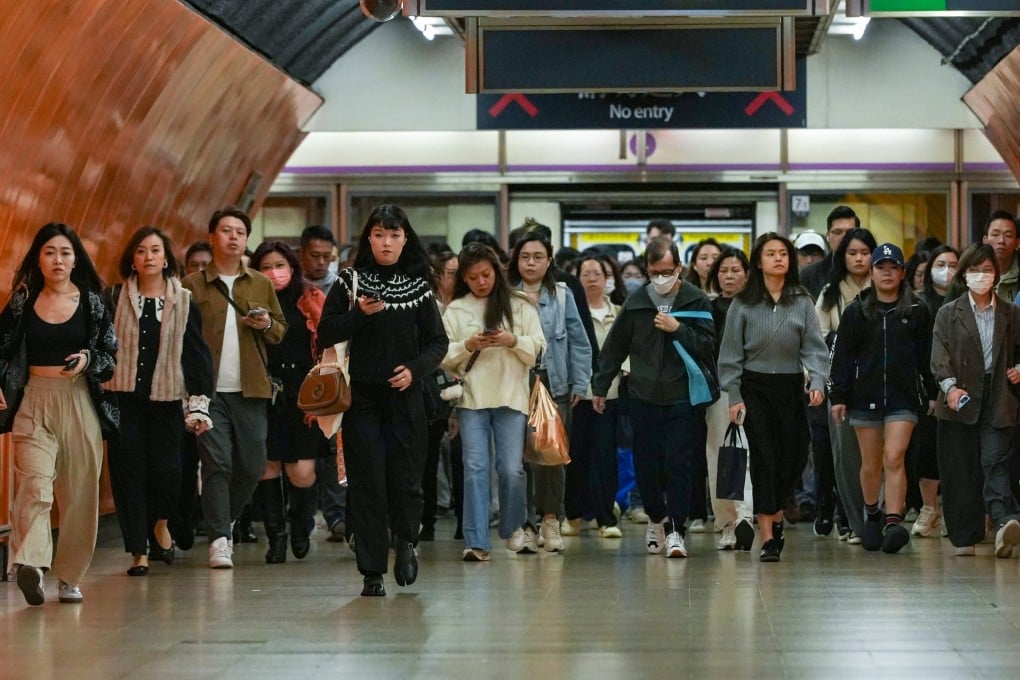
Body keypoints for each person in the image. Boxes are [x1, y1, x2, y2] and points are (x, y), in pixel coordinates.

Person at [317, 204, 448, 596]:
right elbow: (325, 332)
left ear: (405, 238)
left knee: (407, 480)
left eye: (394, 235)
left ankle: (406, 541)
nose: (386, 242)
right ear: (368, 239)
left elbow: (438, 342)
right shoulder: (349, 282)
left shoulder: (420, 285)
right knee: (367, 482)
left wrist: (415, 369)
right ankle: (371, 570)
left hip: (407, 399)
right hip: (362, 400)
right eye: (378, 234)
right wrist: (358, 314)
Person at [1, 223, 119, 605]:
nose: (58, 259)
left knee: (81, 492)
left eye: (65, 252)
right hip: (34, 400)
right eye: (50, 251)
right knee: (34, 483)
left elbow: (110, 357)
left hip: (79, 400)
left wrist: (88, 359)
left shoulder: (92, 303)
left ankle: (69, 576)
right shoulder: (22, 301)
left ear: (75, 259)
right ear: (39, 257)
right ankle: (32, 563)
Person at [592, 236, 719, 559]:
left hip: (683, 396)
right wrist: (600, 386)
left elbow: (708, 346)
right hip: (643, 395)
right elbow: (614, 347)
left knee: (680, 463)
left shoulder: (695, 301)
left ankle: (677, 528)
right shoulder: (636, 302)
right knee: (646, 464)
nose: (661, 278)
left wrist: (677, 327)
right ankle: (657, 518)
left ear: (679, 268)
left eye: (667, 271)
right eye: (654, 272)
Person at [182, 206, 287, 570]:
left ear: (246, 239)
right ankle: (219, 540)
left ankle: (223, 518)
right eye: (226, 230)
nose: (233, 237)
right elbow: (181, 338)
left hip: (251, 388)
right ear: (213, 236)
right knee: (217, 463)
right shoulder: (191, 286)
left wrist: (264, 324)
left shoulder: (260, 283)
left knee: (253, 463)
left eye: (239, 232)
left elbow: (279, 332)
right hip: (207, 392)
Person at [106, 226, 214, 576]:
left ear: (166, 258)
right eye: (141, 251)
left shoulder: (183, 301)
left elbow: (196, 356)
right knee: (128, 475)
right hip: (123, 400)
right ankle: (138, 551)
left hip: (167, 399)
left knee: (168, 472)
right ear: (132, 260)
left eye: (155, 250)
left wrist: (198, 403)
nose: (148, 257)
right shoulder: (114, 298)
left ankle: (162, 522)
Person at [717, 233, 828, 562]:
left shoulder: (802, 300)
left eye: (783, 253)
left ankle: (777, 512)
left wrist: (818, 380)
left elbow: (814, 347)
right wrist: (734, 394)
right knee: (764, 458)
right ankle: (767, 536)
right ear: (759, 261)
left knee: (793, 456)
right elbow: (730, 355)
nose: (778, 258)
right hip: (754, 389)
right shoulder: (743, 303)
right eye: (770, 254)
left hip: (791, 386)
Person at [442, 242, 545, 562]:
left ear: (497, 271)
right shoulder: (456, 309)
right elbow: (444, 356)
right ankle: (476, 541)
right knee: (474, 468)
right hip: (472, 398)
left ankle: (515, 528)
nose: (480, 282)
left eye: (485, 274)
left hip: (512, 397)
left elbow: (539, 349)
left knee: (512, 469)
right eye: (472, 277)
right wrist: (469, 345)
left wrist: (511, 340)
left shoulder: (520, 305)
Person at [829, 243, 934, 554]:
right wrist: (838, 395)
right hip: (864, 398)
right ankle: (872, 514)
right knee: (871, 463)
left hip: (904, 398)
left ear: (902, 273)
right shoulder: (856, 311)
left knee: (894, 457)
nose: (887, 273)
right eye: (881, 268)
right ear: (871, 273)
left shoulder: (917, 310)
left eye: (893, 268)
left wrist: (932, 392)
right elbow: (843, 358)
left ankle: (893, 521)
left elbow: (927, 356)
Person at [932, 243, 1020, 558]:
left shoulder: (1011, 312)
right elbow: (939, 356)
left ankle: (1004, 522)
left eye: (987, 270)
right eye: (974, 270)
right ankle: (965, 534)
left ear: (997, 274)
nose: (981, 276)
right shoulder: (948, 312)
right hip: (960, 395)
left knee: (994, 459)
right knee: (961, 467)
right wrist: (950, 388)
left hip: (999, 394)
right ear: (964, 274)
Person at [508, 229, 592, 551]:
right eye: (525, 257)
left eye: (538, 257)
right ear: (516, 259)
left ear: (549, 260)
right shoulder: (506, 295)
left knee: (551, 456)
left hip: (552, 383)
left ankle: (550, 520)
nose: (530, 263)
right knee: (518, 459)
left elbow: (579, 343)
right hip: (513, 384)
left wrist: (580, 382)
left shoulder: (562, 294)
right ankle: (524, 523)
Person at [249, 241, 326, 563]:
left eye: (279, 265)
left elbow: (327, 342)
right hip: (262, 391)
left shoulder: (310, 299)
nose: (273, 272)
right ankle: (276, 538)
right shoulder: (248, 300)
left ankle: (301, 525)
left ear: (292, 267)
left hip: (304, 393)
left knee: (302, 472)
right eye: (265, 266)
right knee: (268, 467)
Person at [816, 228, 877, 542]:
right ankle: (854, 521)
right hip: (840, 385)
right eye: (852, 253)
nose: (858, 258)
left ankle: (878, 519)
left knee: (880, 457)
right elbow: (817, 339)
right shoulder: (829, 292)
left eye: (865, 252)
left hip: (880, 386)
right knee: (846, 457)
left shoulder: (886, 286)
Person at [565, 254, 624, 539]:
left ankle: (605, 518)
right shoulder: (570, 310)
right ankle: (574, 514)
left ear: (607, 278)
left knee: (605, 456)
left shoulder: (619, 312)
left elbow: (627, 351)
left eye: (596, 274)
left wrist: (622, 375)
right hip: (576, 395)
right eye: (585, 274)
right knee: (575, 455)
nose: (591, 279)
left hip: (609, 394)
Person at [298, 225, 348, 544]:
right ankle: (302, 515)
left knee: (333, 446)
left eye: (327, 257)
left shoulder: (342, 288)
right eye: (314, 256)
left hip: (334, 374)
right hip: (300, 374)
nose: (321, 263)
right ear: (301, 254)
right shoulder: (292, 289)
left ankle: (336, 514)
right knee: (303, 452)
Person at [704, 247, 755, 551]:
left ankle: (748, 516)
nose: (729, 275)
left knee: (750, 457)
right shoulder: (708, 309)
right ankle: (727, 522)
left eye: (736, 270)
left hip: (754, 389)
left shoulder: (758, 307)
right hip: (720, 392)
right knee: (722, 458)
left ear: (747, 275)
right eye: (723, 270)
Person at [909, 245, 959, 538]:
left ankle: (954, 511)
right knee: (926, 451)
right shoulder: (918, 304)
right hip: (927, 389)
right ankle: (929, 508)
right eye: (941, 264)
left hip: (962, 386)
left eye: (954, 264)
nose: (947, 270)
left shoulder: (967, 301)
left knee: (957, 452)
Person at [800, 206, 860, 298]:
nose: (844, 238)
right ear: (828, 236)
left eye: (849, 232)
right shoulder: (809, 275)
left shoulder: (873, 272)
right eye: (837, 232)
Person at [982, 210, 1020, 302]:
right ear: (985, 240)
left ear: (1017, 242)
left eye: (1008, 235)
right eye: (995, 234)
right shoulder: (971, 271)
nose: (1001, 241)